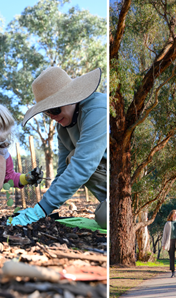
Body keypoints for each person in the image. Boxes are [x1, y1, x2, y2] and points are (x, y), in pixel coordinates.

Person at [8, 66, 106, 229]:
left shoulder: (98, 110)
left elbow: (82, 165)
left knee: (104, 218)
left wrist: (40, 210)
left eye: (54, 109)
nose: (52, 117)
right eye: (47, 112)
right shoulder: (63, 128)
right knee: (103, 216)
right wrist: (41, 209)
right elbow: (62, 172)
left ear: (70, 97)